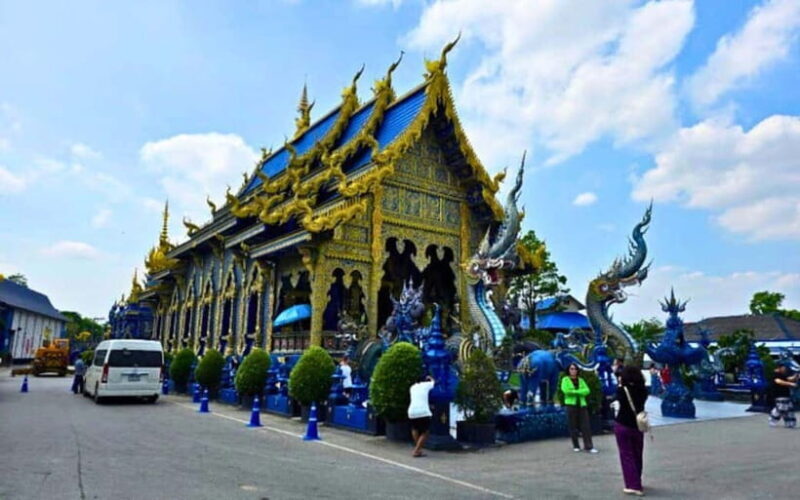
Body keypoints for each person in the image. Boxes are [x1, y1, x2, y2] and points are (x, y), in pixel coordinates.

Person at [614, 365, 648, 496]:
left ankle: (633, 485)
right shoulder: (643, 391)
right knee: (637, 454)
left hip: (623, 423)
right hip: (638, 425)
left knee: (626, 455)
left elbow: (617, 398)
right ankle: (637, 479)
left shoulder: (622, 390)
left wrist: (620, 383)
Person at [561, 363, 597, 453]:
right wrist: (579, 392)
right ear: (568, 370)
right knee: (573, 425)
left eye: (575, 369)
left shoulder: (581, 380)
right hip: (571, 405)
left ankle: (588, 446)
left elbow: (587, 390)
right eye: (571, 369)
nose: (573, 371)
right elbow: (566, 391)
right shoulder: (565, 379)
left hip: (581, 404)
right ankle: (576, 445)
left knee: (585, 426)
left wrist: (575, 392)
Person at [407, 374, 435, 457]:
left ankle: (418, 449)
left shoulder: (412, 387)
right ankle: (416, 450)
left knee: (415, 429)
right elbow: (434, 382)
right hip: (423, 412)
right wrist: (430, 378)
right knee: (425, 432)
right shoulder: (426, 385)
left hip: (412, 411)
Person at [768, 363, 797, 428]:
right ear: (779, 368)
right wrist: (791, 384)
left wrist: (796, 376)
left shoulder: (782, 375)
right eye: (784, 368)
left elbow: (789, 378)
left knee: (789, 409)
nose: (785, 369)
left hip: (786, 395)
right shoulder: (775, 374)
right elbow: (779, 381)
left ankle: (790, 423)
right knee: (781, 408)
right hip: (779, 395)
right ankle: (772, 419)